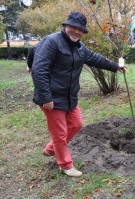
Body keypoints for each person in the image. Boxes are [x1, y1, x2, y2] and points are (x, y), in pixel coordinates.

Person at [31, 11, 126, 177]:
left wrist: (115, 66)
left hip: (70, 96)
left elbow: (96, 58)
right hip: (52, 98)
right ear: (66, 26)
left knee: (76, 124)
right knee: (60, 134)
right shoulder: (52, 42)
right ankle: (66, 166)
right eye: (73, 27)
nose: (76, 32)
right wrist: (46, 97)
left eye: (80, 30)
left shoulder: (80, 47)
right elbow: (39, 70)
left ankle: (51, 149)